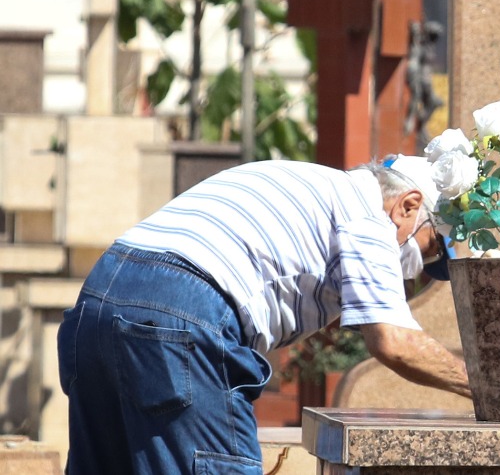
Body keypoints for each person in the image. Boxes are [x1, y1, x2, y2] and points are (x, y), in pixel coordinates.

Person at [57, 155, 469, 474]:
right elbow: (394, 342)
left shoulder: (312, 182)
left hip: (101, 297)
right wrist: (487, 389)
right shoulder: (368, 217)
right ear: (408, 206)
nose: (414, 271)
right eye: (430, 249)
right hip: (182, 311)